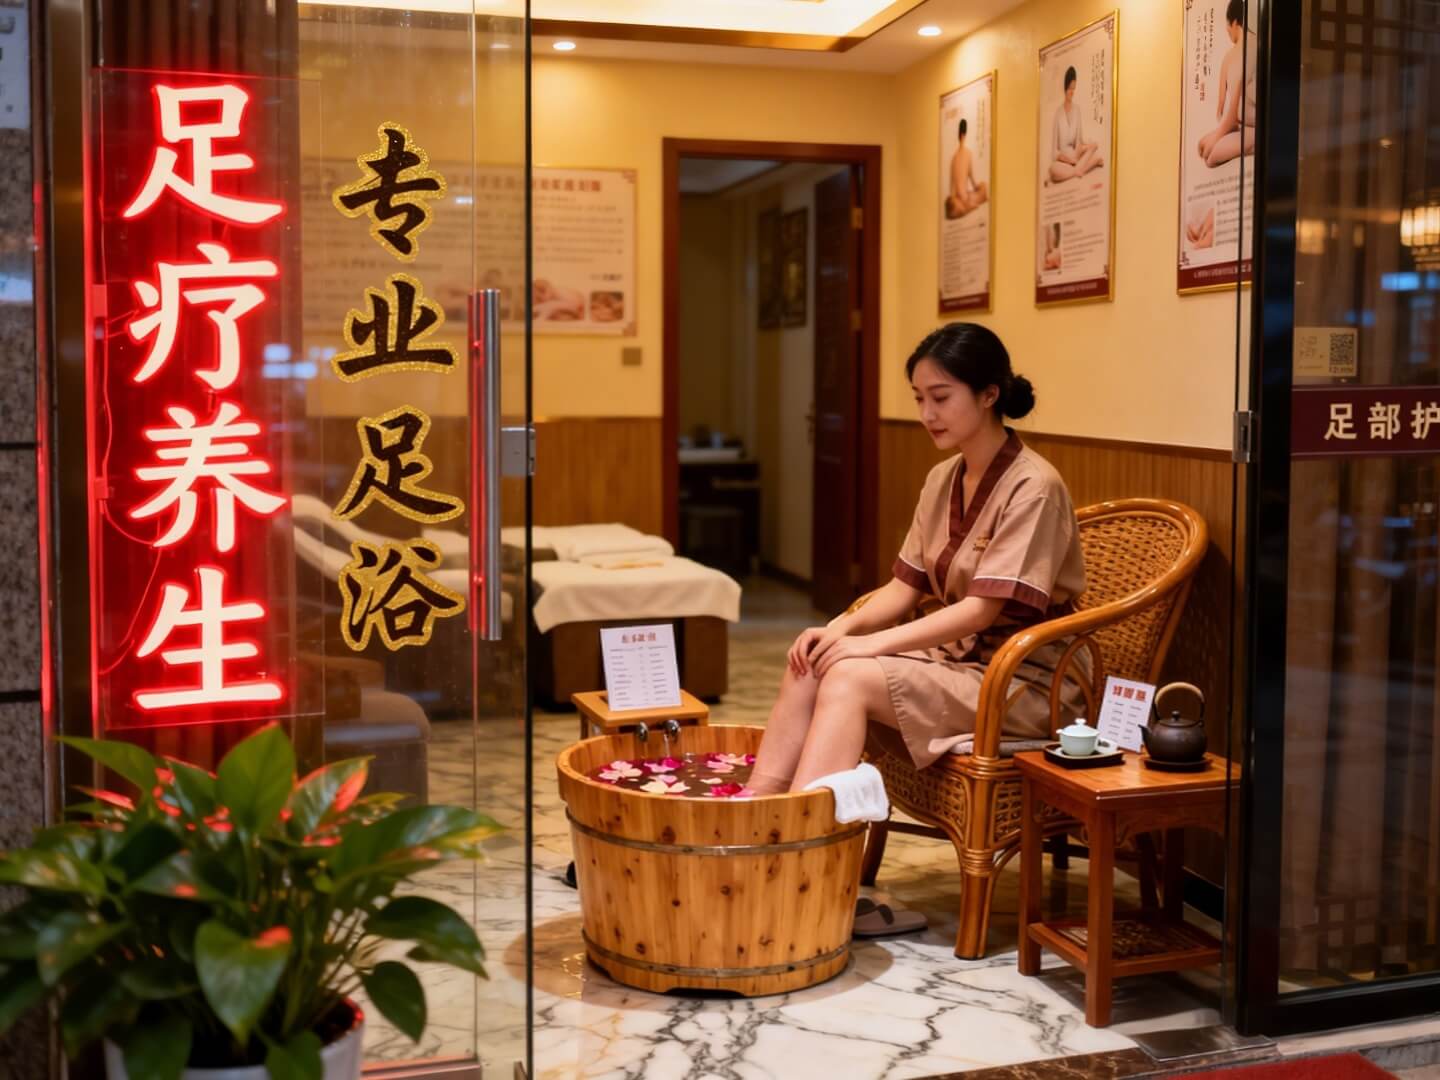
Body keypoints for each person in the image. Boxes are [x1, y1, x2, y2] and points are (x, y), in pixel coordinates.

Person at [748, 323, 1089, 795]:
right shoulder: (942, 477)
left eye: (941, 397)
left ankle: (802, 840)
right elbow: (902, 587)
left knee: (849, 677)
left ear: (989, 395)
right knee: (813, 659)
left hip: (1023, 681)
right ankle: (756, 811)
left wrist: (871, 645)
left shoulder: (1034, 487)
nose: (927, 413)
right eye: (918, 398)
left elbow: (979, 610)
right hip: (959, 662)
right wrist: (837, 631)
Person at [1198, 0, 1257, 168]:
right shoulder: (1230, 55)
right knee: (1202, 146)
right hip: (1239, 123)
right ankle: (1231, 132)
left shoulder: (1252, 47)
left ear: (1235, 22)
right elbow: (1222, 105)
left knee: (1211, 157)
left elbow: (1231, 106)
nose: (1228, 32)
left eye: (1228, 27)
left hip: (1253, 127)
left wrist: (1220, 132)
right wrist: (1222, 129)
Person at [1048, 66, 1103, 183]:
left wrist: (1089, 147)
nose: (1072, 92)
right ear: (1065, 88)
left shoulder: (1077, 110)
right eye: (1069, 88)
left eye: (1074, 88)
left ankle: (1078, 169)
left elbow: (1079, 141)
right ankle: (1088, 166)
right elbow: (1054, 152)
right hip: (1064, 163)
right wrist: (1069, 161)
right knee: (1053, 169)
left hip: (1076, 158)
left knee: (1094, 145)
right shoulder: (1058, 114)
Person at [945, 118, 989, 219]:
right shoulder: (968, 153)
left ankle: (960, 206)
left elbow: (952, 189)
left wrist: (953, 200)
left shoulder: (953, 158)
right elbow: (974, 182)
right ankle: (965, 206)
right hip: (964, 198)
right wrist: (979, 187)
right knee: (984, 187)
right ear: (964, 135)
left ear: (958, 135)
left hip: (957, 198)